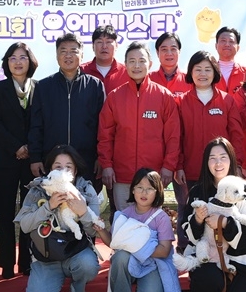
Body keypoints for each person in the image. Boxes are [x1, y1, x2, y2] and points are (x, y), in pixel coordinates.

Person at [181, 138, 246, 292]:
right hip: (208, 256)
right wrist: (198, 220)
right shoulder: (197, 191)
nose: (218, 163)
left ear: (231, 159)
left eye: (223, 157)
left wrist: (226, 223)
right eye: (212, 158)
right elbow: (188, 233)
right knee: (203, 287)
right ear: (206, 162)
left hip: (240, 259)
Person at [15, 145, 102, 292]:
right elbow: (25, 226)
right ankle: (49, 277)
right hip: (46, 255)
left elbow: (92, 231)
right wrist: (48, 206)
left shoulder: (85, 189)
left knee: (88, 266)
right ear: (50, 170)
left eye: (68, 167)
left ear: (75, 171)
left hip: (75, 251)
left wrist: (83, 212)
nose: (63, 171)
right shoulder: (37, 189)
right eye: (58, 167)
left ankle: (78, 288)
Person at [97, 42, 180, 212]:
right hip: (122, 175)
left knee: (150, 225)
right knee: (123, 223)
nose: (136, 66)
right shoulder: (114, 97)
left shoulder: (163, 96)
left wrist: (168, 166)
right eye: (131, 61)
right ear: (125, 64)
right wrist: (106, 165)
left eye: (141, 61)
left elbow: (173, 136)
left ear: (150, 64)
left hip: (153, 176)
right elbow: (105, 136)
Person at [175, 51, 245, 248]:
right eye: (198, 69)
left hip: (220, 171)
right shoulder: (180, 102)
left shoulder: (226, 100)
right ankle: (185, 248)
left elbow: (236, 136)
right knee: (187, 208)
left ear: (215, 72)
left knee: (221, 209)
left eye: (207, 69)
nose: (203, 74)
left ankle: (221, 250)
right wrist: (177, 165)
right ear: (190, 72)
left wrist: (237, 164)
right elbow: (176, 137)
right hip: (189, 168)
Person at [94, 169, 182, 292]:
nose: (144, 192)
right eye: (140, 187)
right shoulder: (124, 214)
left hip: (151, 264)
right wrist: (101, 230)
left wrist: (132, 245)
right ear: (133, 189)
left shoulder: (161, 217)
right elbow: (114, 243)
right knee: (121, 256)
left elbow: (164, 250)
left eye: (149, 189)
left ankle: (137, 283)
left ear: (157, 192)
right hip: (128, 261)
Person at [0, 42, 39, 278]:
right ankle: (6, 265)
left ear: (31, 61)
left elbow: (41, 123)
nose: (18, 62)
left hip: (31, 161)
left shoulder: (39, 88)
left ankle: (27, 263)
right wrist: (16, 147)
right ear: (7, 63)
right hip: (6, 158)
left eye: (23, 57)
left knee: (29, 212)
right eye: (12, 58)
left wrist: (29, 147)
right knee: (6, 213)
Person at [28, 33, 105, 182]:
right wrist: (35, 157)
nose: (68, 56)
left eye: (73, 51)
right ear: (57, 55)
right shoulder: (43, 87)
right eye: (63, 51)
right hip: (52, 162)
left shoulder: (95, 86)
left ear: (82, 55)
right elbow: (36, 125)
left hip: (87, 162)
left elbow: (103, 127)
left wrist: (101, 158)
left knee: (85, 203)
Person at [80, 24, 130, 95]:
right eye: (99, 42)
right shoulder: (81, 71)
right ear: (93, 46)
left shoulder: (127, 72)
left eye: (108, 42)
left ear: (116, 45)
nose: (104, 46)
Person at [148, 32, 191, 101]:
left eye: (173, 49)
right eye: (164, 49)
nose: (169, 53)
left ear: (179, 51)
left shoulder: (190, 80)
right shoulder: (148, 79)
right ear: (157, 52)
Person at [213, 27, 246, 95]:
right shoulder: (207, 72)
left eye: (231, 41)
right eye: (223, 40)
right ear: (216, 46)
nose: (227, 44)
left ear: (238, 48)